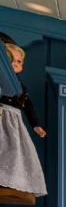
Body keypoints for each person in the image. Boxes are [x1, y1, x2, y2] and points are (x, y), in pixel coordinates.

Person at [0, 34, 47, 197]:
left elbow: (28, 106)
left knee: (16, 150)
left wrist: (36, 124)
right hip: (2, 115)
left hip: (14, 121)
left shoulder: (20, 87)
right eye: (10, 59)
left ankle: (11, 178)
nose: (15, 63)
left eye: (19, 61)